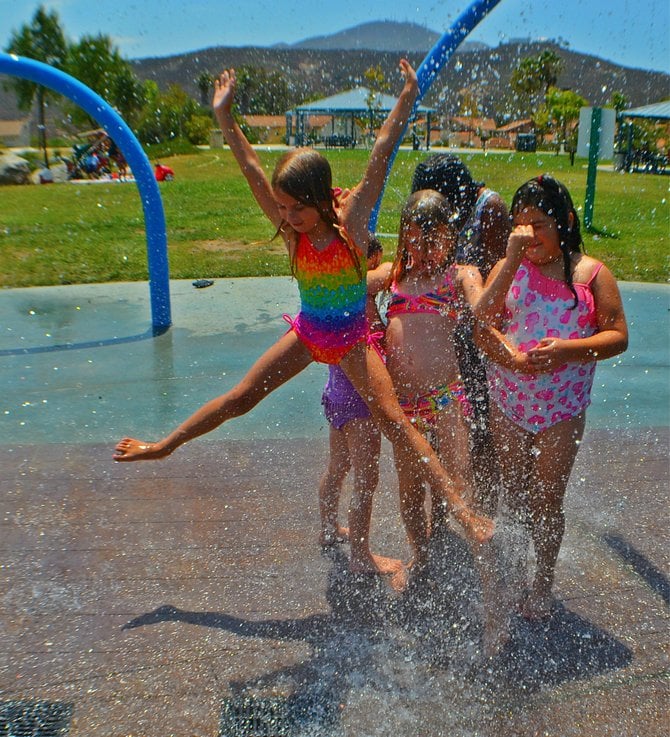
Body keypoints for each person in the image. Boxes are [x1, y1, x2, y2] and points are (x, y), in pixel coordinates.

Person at [113, 61, 494, 553]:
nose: (287, 218)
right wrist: (224, 117)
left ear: (319, 198)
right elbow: (251, 168)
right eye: (282, 207)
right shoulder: (292, 229)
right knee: (241, 397)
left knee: (394, 421)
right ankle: (164, 445)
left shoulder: (353, 223)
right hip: (311, 331)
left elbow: (381, 151)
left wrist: (406, 98)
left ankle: (459, 507)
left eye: (297, 208)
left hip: (354, 340)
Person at [474, 174, 628, 621]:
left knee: (547, 499)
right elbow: (482, 319)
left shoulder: (591, 275)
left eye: (539, 225)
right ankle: (517, 570)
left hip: (562, 409)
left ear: (566, 221)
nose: (528, 236)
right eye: (519, 225)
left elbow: (617, 336)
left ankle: (542, 582)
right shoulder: (514, 268)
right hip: (511, 402)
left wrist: (566, 351)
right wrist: (509, 258)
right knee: (516, 493)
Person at [411, 154, 510, 521]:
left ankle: (484, 508)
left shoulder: (489, 208)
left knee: (480, 423)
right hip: (447, 329)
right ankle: (441, 507)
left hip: (477, 331)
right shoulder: (443, 214)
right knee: (438, 417)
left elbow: (496, 274)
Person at [318, 234, 402, 576]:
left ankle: (327, 528)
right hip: (359, 403)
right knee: (366, 479)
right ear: (373, 257)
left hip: (336, 394)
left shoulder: (334, 291)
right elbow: (386, 273)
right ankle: (360, 556)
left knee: (338, 467)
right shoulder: (359, 289)